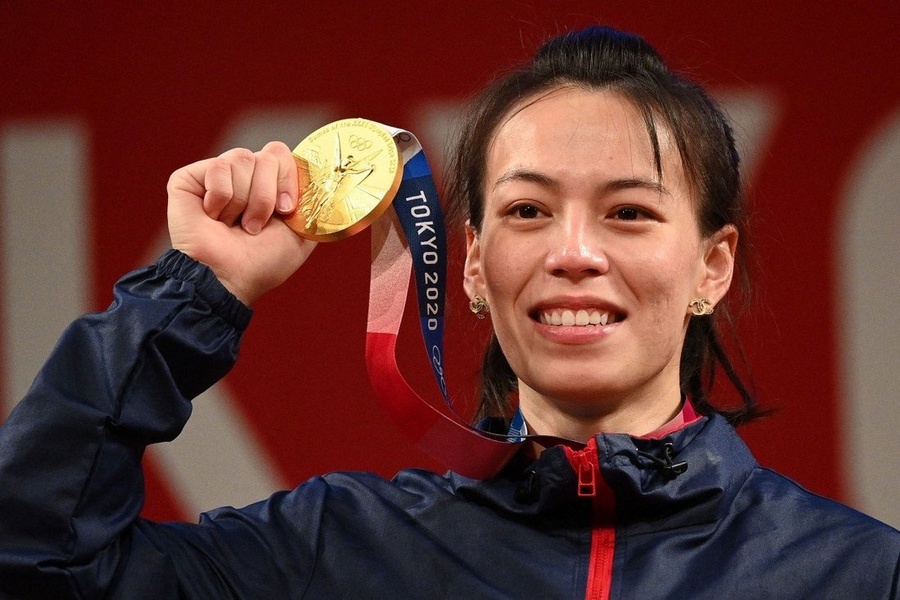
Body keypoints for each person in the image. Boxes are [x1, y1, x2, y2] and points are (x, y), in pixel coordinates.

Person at [0, 26, 897, 600]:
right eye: (526, 211)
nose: (571, 252)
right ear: (471, 265)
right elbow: (38, 565)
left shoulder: (855, 574)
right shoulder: (335, 556)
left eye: (628, 211)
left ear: (713, 265)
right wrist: (198, 289)